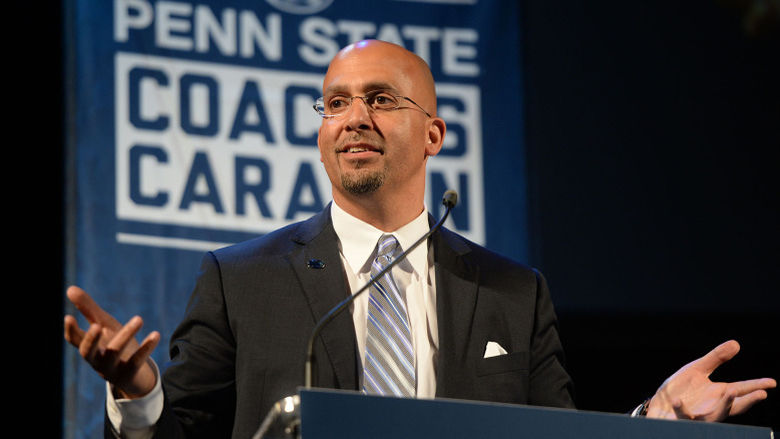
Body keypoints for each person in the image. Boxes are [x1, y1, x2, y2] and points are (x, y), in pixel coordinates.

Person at [64, 40, 776, 438]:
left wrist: (654, 419)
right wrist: (139, 393)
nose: (353, 118)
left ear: (434, 133)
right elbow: (177, 433)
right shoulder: (240, 277)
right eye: (336, 102)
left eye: (380, 99)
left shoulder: (512, 292)